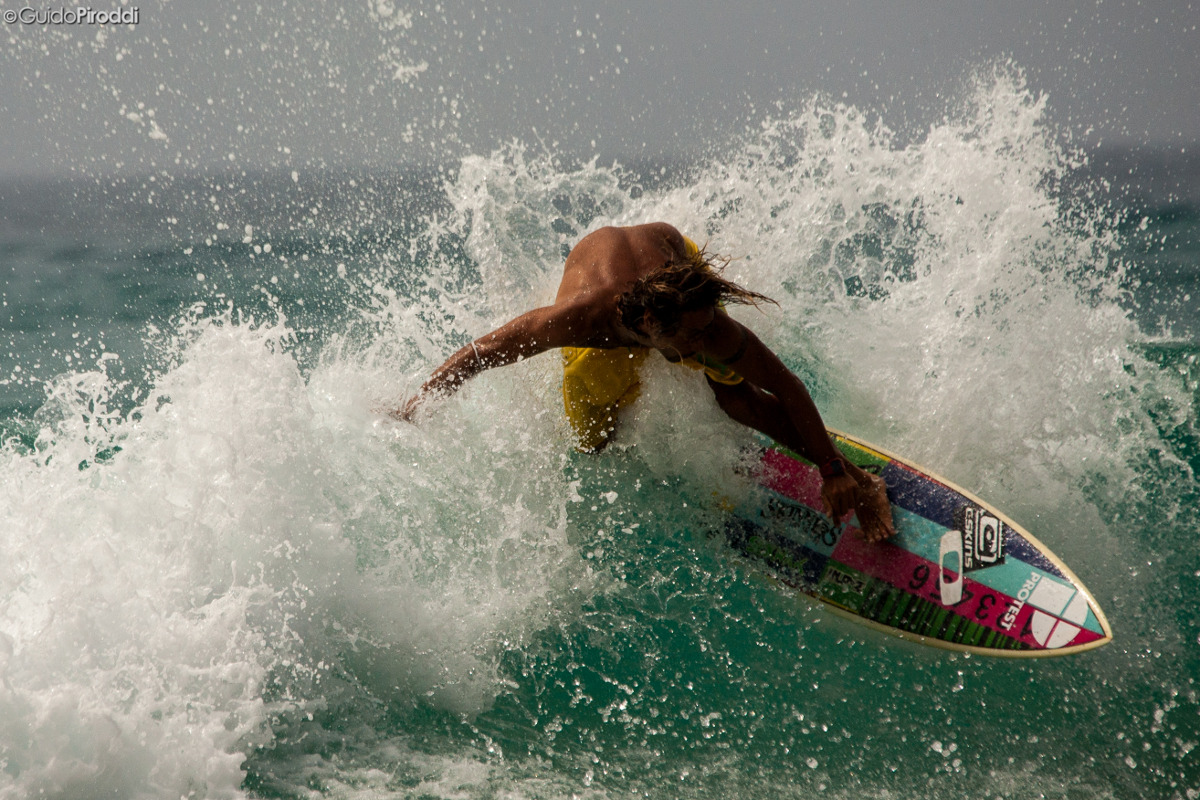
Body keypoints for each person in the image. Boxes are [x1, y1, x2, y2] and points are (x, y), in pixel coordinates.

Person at [390, 222, 895, 542]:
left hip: (675, 277)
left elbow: (785, 385)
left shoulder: (702, 318)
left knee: (738, 394)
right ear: (652, 328)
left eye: (706, 326)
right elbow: (485, 351)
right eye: (693, 336)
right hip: (610, 337)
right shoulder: (582, 321)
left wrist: (833, 470)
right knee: (593, 442)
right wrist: (418, 405)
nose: (708, 336)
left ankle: (867, 485)